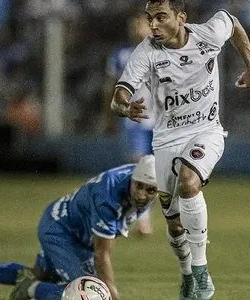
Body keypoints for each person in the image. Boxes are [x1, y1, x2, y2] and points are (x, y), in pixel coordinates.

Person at [110, 1, 250, 299]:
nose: (153, 25)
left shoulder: (208, 34)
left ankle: (202, 273)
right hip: (167, 139)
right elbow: (119, 96)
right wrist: (125, 107)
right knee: (174, 222)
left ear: (181, 18)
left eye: (161, 17)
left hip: (207, 131)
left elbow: (231, 22)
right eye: (150, 19)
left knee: (190, 182)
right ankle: (187, 273)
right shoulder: (147, 51)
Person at [0, 155, 158, 300]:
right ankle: (31, 289)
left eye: (150, 191)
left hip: (73, 232)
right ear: (132, 180)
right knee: (88, 293)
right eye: (139, 187)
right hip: (61, 231)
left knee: (37, 274)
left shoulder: (142, 175)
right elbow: (102, 253)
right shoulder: (108, 196)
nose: (142, 194)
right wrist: (112, 293)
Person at [102, 11, 156, 236]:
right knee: (140, 169)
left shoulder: (163, 52)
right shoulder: (120, 55)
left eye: (140, 24)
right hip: (135, 121)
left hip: (161, 120)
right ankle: (142, 220)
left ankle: (139, 214)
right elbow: (110, 88)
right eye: (133, 25)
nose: (136, 29)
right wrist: (109, 117)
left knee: (160, 172)